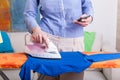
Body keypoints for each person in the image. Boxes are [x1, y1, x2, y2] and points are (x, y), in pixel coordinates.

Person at [24, 0, 94, 80]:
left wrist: (89, 17)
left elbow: (88, 6)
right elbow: (29, 14)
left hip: (74, 43)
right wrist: (36, 30)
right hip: (46, 42)